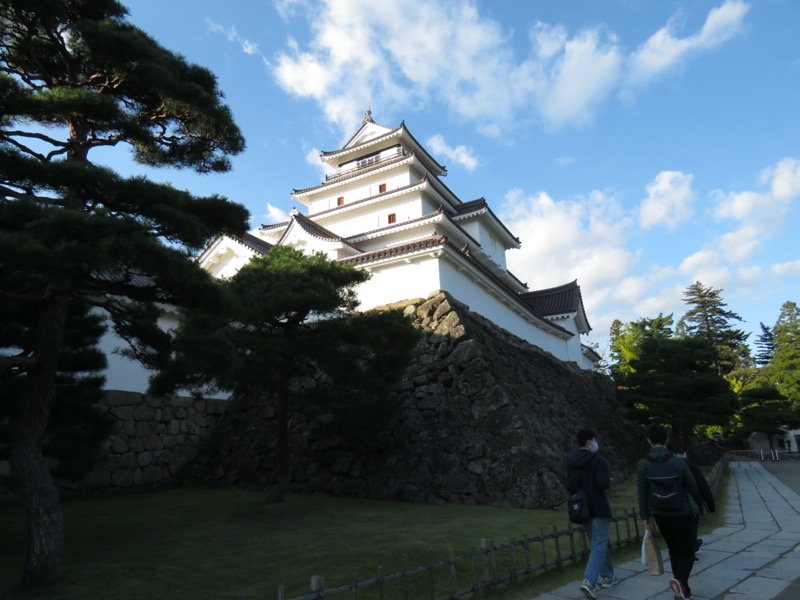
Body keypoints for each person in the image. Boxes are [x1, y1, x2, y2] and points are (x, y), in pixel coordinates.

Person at [637, 425, 700, 600]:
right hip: (683, 511)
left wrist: (645, 517)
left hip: (660, 513)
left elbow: (642, 492)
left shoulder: (643, 464)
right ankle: (679, 581)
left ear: (648, 440)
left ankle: (682, 591)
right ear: (667, 440)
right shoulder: (677, 462)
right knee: (687, 550)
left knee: (673, 549)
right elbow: (692, 485)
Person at [567, 428, 619, 599]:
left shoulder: (571, 461)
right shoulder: (597, 461)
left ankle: (608, 576)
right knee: (599, 543)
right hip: (598, 506)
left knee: (598, 542)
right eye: (595, 440)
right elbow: (602, 483)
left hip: (582, 508)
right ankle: (589, 581)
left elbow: (570, 485)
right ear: (590, 442)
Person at [671, 445, 716, 560]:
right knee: (691, 528)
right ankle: (692, 551)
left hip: (673, 502)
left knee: (677, 528)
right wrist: (709, 505)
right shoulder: (691, 465)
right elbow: (702, 485)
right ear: (684, 453)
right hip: (691, 501)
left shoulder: (667, 466)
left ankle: (679, 550)